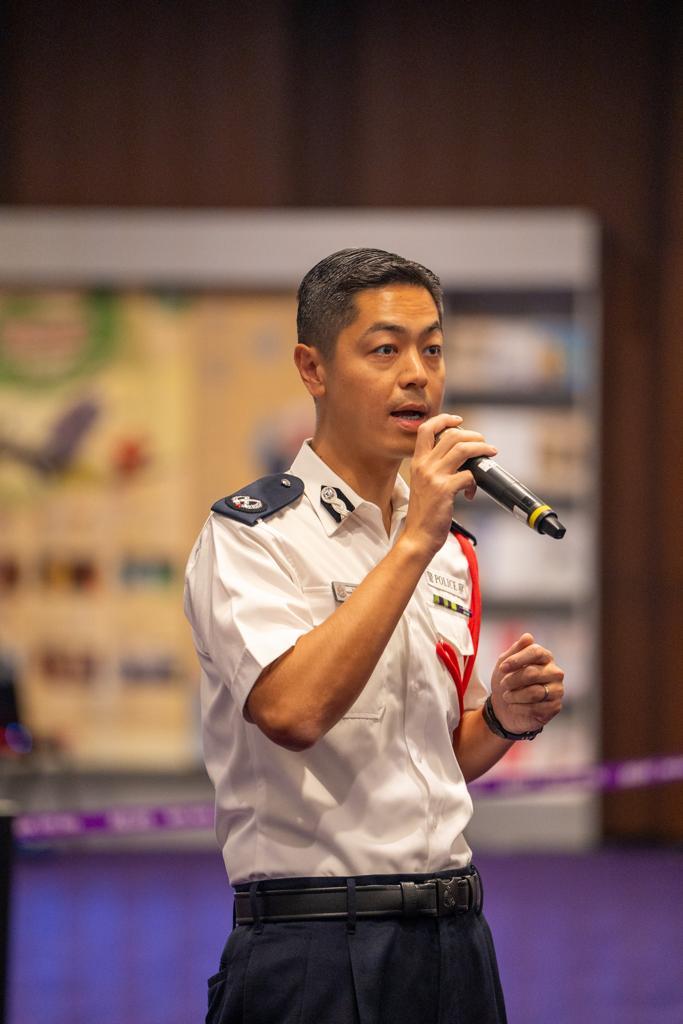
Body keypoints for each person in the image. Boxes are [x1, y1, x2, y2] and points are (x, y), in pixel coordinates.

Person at [184, 248, 565, 1024]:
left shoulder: (449, 546)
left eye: (431, 348)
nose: (417, 374)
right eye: (385, 349)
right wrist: (411, 544)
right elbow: (292, 712)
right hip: (315, 940)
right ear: (312, 368)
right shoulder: (253, 536)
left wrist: (499, 719)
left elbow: (433, 755)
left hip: (456, 935)